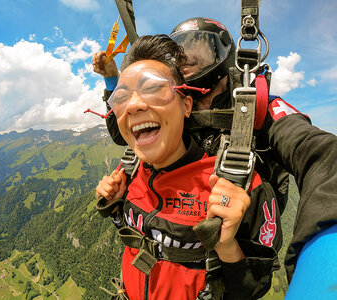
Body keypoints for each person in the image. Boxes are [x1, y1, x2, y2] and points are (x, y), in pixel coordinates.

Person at [92, 17, 337, 286]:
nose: (186, 62)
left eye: (200, 53)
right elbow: (126, 131)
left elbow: (322, 156)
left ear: (224, 59)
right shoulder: (175, 105)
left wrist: (321, 266)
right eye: (180, 58)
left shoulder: (256, 108)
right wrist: (114, 80)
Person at [95, 34, 281, 300]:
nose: (134, 105)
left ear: (186, 104)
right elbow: (141, 234)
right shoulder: (130, 170)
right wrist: (116, 208)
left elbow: (255, 288)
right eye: (122, 97)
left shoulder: (236, 187)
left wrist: (227, 246)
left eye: (154, 88)